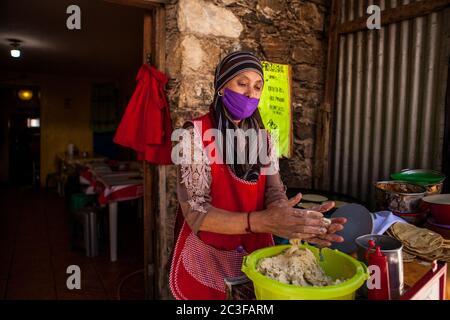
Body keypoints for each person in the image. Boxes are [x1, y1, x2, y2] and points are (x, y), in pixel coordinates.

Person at [169, 51, 346, 300]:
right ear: (221, 86)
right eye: (242, 83)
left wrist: (293, 220)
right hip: (207, 253)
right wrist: (263, 221)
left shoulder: (263, 138)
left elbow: (274, 191)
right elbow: (196, 212)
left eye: (258, 86)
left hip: (255, 251)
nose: (251, 94)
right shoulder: (193, 136)